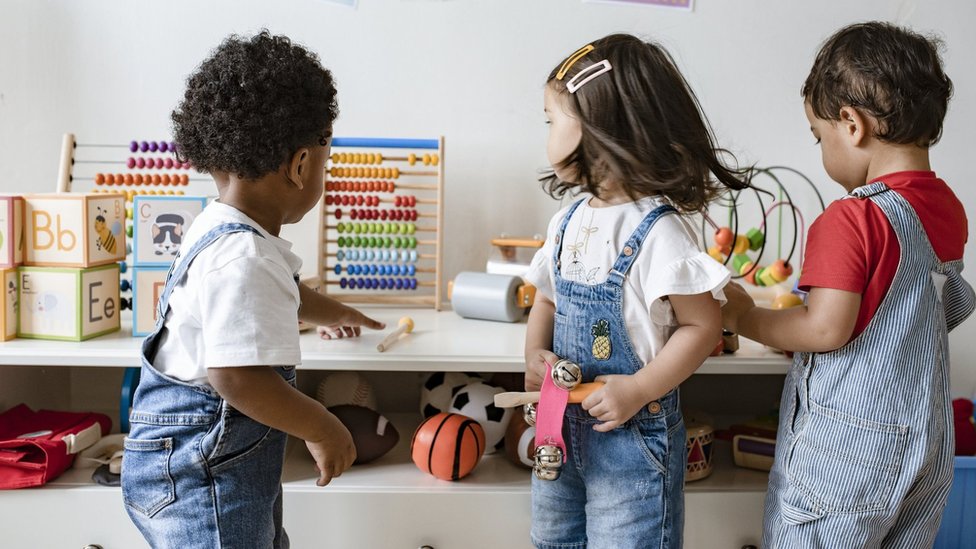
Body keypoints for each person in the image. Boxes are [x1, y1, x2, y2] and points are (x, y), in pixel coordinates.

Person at [120, 31, 384, 548]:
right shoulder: (244, 257)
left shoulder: (222, 229)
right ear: (301, 164)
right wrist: (322, 426)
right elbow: (238, 377)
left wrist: (332, 311)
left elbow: (283, 291)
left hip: (204, 462)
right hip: (203, 475)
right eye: (323, 162)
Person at [721, 22, 975, 548]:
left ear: (850, 124)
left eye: (819, 137)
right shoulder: (948, 209)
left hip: (850, 452)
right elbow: (929, 312)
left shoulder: (850, 218)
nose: (821, 150)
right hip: (926, 445)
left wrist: (744, 317)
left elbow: (825, 329)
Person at [523, 33, 751, 548]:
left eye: (550, 119)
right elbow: (546, 298)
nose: (545, 134)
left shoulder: (659, 230)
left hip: (631, 441)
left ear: (597, 126)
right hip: (559, 431)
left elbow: (703, 325)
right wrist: (534, 353)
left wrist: (639, 390)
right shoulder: (567, 220)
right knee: (553, 540)